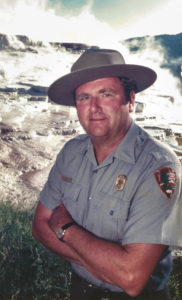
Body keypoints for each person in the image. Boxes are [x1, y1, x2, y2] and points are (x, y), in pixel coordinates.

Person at [32, 48, 182, 300]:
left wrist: (66, 228)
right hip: (80, 292)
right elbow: (39, 226)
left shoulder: (158, 166)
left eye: (106, 94)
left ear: (130, 100)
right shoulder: (71, 153)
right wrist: (108, 266)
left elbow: (132, 280)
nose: (94, 108)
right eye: (84, 98)